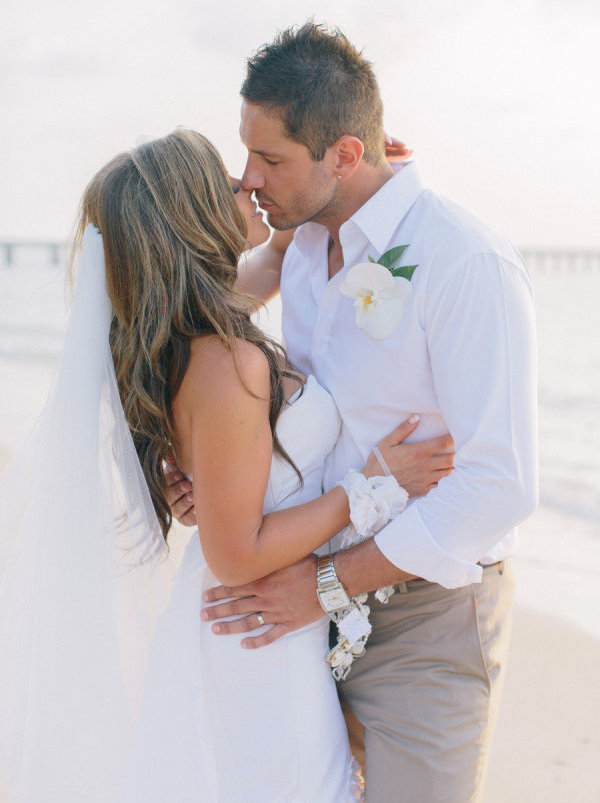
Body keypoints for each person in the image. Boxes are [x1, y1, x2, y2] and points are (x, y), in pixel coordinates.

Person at [0, 128, 453, 802]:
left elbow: (272, 264)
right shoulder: (228, 362)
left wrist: (358, 172)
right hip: (255, 627)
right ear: (195, 215)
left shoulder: (194, 330)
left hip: (245, 622)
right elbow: (237, 551)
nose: (252, 184)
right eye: (232, 183)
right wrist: (372, 485)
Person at [170, 22, 538, 802]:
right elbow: (275, 394)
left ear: (343, 153)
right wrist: (213, 473)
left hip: (423, 617)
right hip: (306, 606)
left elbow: (499, 486)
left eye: (271, 160)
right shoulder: (298, 249)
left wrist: (328, 582)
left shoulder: (463, 262)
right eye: (249, 152)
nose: (251, 178)